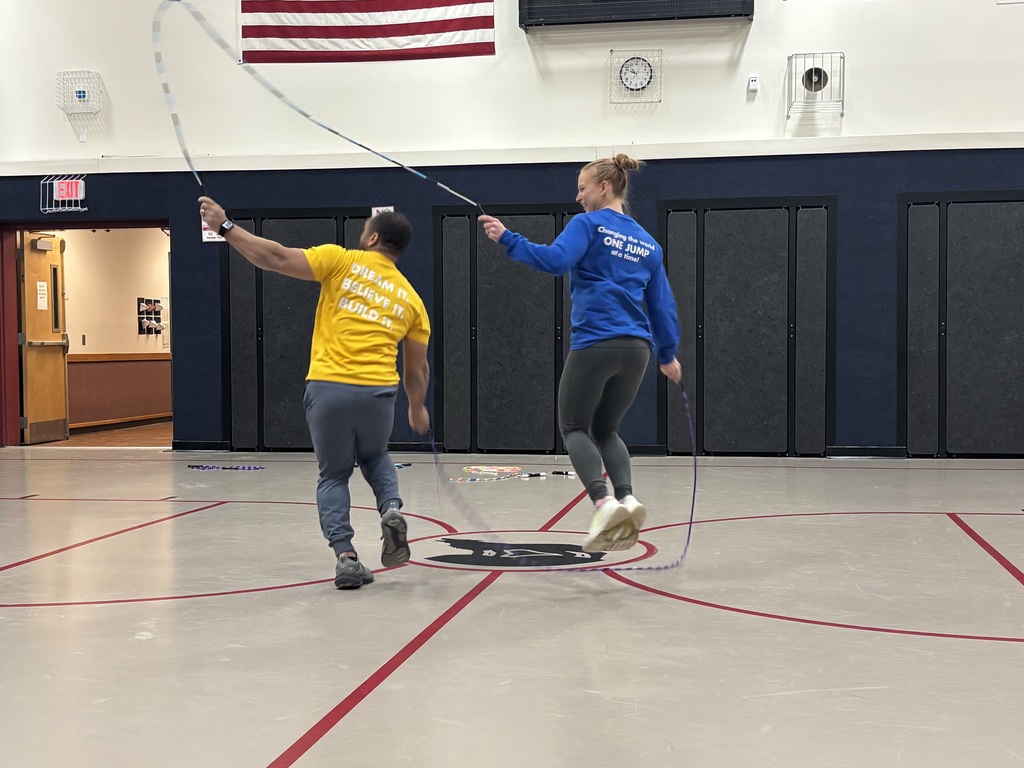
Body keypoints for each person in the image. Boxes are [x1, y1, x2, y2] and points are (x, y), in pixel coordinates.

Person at [199, 196, 431, 590]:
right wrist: (417, 407)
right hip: (378, 393)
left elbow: (273, 257)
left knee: (334, 475)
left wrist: (224, 227)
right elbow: (416, 368)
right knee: (376, 456)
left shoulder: (340, 260)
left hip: (329, 389)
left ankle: (346, 558)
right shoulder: (412, 300)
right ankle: (391, 509)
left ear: (373, 238)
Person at [478, 154, 681, 553]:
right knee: (606, 429)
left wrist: (507, 237)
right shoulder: (648, 243)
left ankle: (603, 504)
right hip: (637, 349)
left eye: (583, 188)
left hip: (596, 342)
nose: (578, 197)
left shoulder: (587, 224)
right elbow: (662, 304)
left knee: (573, 426)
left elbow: (556, 261)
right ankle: (627, 500)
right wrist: (668, 354)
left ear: (604, 187)